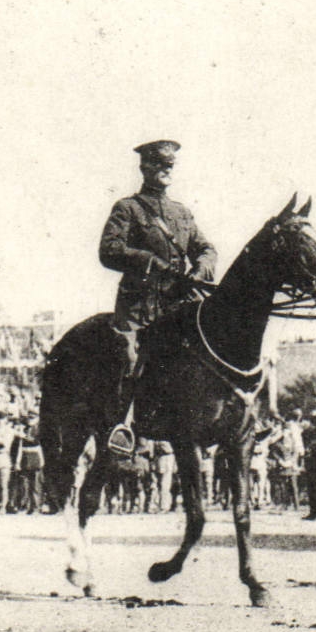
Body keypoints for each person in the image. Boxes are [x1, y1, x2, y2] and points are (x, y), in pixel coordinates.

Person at [98, 139, 218, 454]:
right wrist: (151, 263)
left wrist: (202, 268)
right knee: (131, 358)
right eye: (158, 165)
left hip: (179, 303)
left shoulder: (182, 212)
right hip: (141, 305)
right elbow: (109, 250)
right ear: (145, 168)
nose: (165, 170)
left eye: (169, 166)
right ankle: (123, 428)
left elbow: (205, 248)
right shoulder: (128, 208)